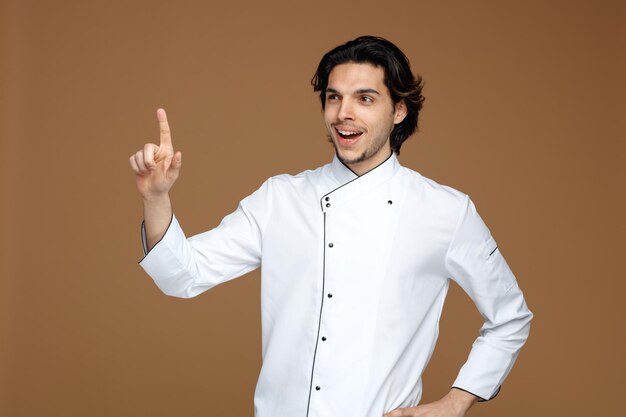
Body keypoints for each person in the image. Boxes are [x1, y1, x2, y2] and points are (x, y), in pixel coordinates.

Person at [129, 36, 532, 417]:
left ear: (399, 110)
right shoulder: (279, 199)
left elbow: (510, 316)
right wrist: (156, 196)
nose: (344, 113)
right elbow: (182, 276)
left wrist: (458, 401)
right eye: (333, 97)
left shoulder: (445, 211)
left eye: (365, 98)